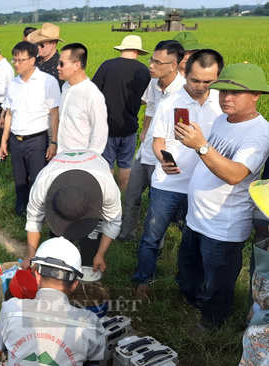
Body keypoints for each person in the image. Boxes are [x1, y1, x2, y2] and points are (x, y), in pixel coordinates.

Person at [176, 62, 269, 330]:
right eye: (223, 91)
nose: (226, 98)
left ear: (256, 96)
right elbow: (210, 158)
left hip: (223, 224)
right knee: (191, 267)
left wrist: (201, 146)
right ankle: (193, 303)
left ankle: (212, 324)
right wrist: (194, 144)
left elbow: (236, 174)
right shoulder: (221, 120)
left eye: (236, 93)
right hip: (197, 217)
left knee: (219, 281)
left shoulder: (260, 133)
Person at [133, 50, 224, 299]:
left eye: (208, 81)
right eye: (195, 80)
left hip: (204, 185)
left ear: (217, 78)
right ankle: (143, 279)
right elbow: (158, 141)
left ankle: (185, 284)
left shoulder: (221, 104)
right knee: (152, 235)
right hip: (169, 183)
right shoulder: (170, 103)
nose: (200, 86)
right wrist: (163, 159)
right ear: (186, 74)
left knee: (193, 242)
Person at [0, 237, 106, 366]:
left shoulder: (11, 309)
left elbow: (2, 347)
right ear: (75, 284)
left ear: (37, 275)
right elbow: (94, 361)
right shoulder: (90, 323)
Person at [119, 40, 185, 241]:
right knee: (131, 196)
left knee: (158, 205)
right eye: (151, 60)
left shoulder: (183, 91)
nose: (151, 66)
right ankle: (126, 236)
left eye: (157, 62)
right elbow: (150, 107)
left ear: (173, 66)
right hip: (146, 150)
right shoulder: (154, 83)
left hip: (166, 154)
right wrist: (145, 130)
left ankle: (155, 243)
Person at [24, 149, 121, 271]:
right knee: (59, 250)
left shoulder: (107, 188)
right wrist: (31, 255)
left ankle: (88, 258)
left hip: (96, 165)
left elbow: (113, 221)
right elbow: (34, 219)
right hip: (58, 175)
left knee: (90, 248)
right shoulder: (43, 185)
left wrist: (100, 254)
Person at [0, 41, 60, 216]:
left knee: (37, 179)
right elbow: (9, 113)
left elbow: (54, 114)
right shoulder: (13, 84)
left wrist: (53, 142)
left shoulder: (47, 82)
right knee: (19, 178)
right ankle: (21, 209)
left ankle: (37, 211)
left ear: (33, 60)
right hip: (16, 140)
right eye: (14, 60)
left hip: (37, 140)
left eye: (21, 60)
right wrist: (4, 141)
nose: (16, 64)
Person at [92, 35, 151, 193]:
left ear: (122, 49)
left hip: (106, 126)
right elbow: (146, 100)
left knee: (106, 166)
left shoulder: (107, 66)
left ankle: (108, 199)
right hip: (130, 126)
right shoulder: (144, 70)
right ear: (137, 52)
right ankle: (123, 200)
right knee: (125, 166)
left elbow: (93, 93)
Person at [56, 43, 108, 154]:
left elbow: (100, 132)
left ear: (76, 65)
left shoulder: (92, 95)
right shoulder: (65, 87)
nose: (58, 67)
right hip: (61, 154)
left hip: (80, 158)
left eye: (61, 64)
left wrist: (89, 159)